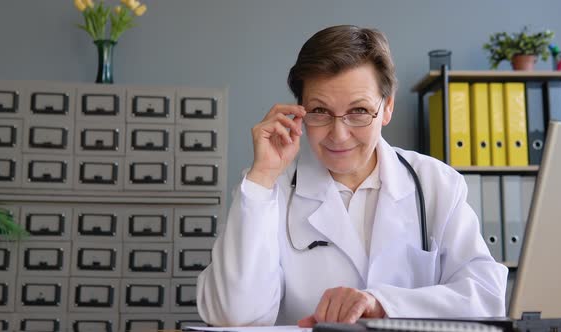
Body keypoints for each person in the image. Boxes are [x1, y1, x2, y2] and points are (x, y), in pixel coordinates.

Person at [196, 25, 508, 327]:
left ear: (386, 108)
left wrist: (382, 304)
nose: (339, 134)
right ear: (299, 111)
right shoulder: (267, 190)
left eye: (358, 111)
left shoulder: (435, 183)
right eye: (319, 111)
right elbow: (234, 314)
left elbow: (486, 296)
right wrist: (261, 178)